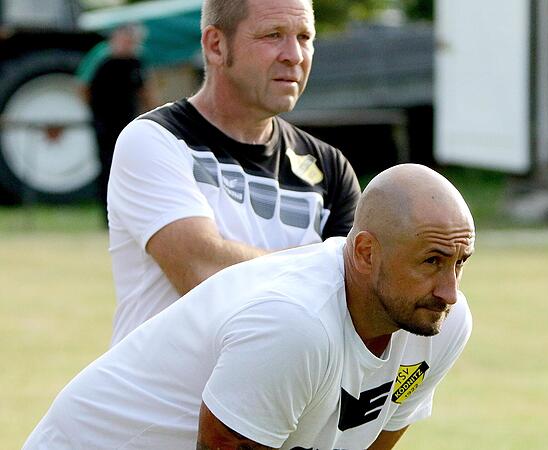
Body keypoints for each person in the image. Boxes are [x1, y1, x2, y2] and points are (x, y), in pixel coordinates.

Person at [23, 164, 475, 450]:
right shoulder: (296, 324)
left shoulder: (439, 324)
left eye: (460, 263)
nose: (449, 291)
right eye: (431, 262)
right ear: (364, 253)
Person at [106, 0, 361, 344]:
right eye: (274, 35)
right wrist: (325, 270)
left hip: (279, 397)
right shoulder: (155, 140)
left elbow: (357, 301)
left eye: (304, 37)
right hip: (162, 399)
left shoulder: (328, 168)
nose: (294, 55)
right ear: (216, 45)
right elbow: (204, 273)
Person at [85, 23, 153, 217]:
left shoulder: (137, 60)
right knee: (107, 165)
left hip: (128, 122)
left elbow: (144, 89)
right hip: (104, 123)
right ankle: (106, 212)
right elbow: (83, 86)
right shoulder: (101, 57)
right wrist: (94, 111)